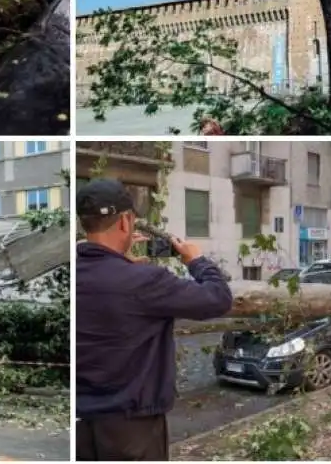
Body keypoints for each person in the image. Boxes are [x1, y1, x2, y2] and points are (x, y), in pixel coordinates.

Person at [75, 178, 234, 461]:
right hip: (132, 430)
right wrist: (196, 260)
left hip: (80, 425)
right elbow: (218, 298)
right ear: (125, 221)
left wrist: (118, 260)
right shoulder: (145, 281)